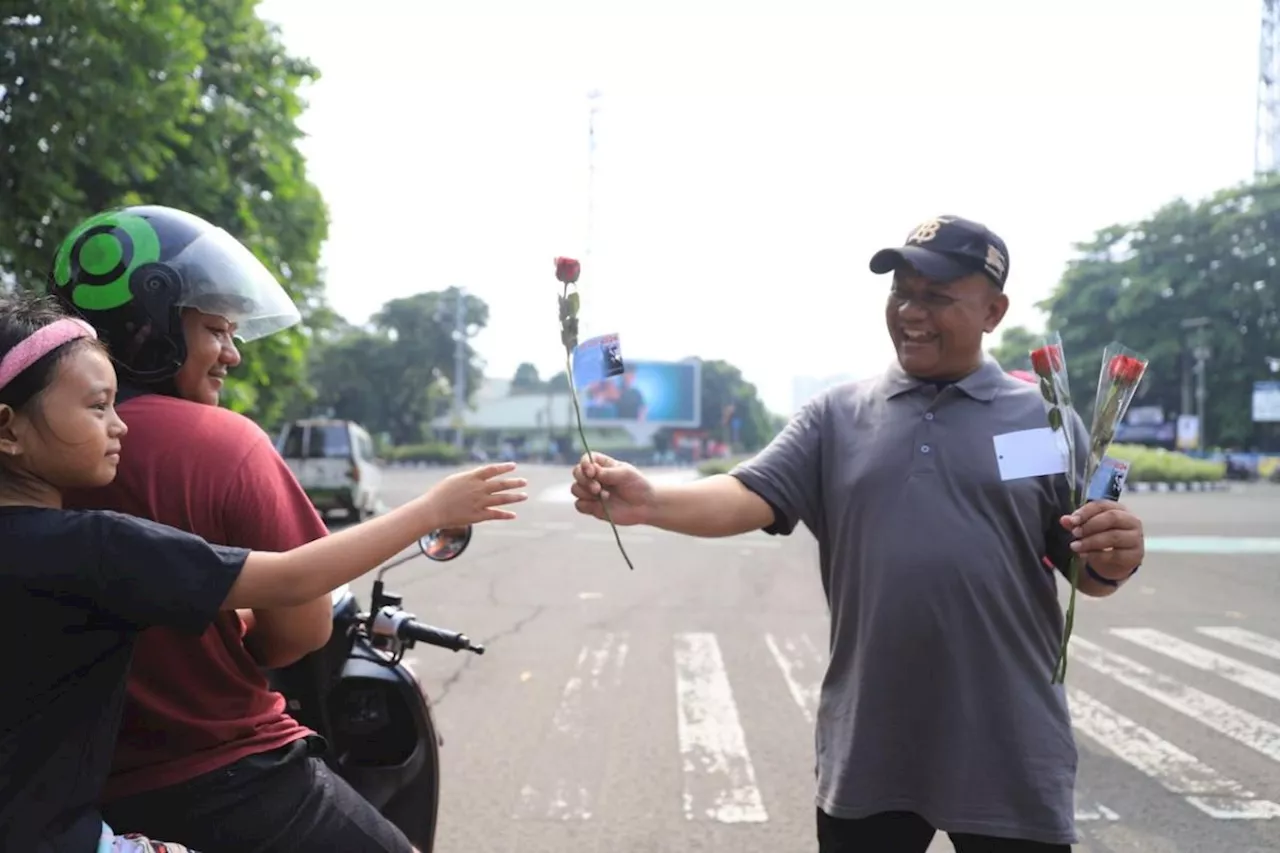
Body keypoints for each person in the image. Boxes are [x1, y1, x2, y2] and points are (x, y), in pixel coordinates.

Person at [569, 216, 1147, 853]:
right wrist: (650, 501)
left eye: (936, 296)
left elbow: (1088, 570)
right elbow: (748, 494)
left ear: (993, 311)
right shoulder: (837, 418)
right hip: (872, 742)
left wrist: (1116, 556)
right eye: (901, 292)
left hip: (1008, 742)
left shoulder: (1045, 422)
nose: (910, 313)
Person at [0, 291, 528, 851]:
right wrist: (433, 510)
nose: (120, 426)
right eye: (99, 407)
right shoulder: (98, 545)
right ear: (8, 430)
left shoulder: (66, 553)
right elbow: (295, 584)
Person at [46, 204, 419, 851]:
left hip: (65, 789)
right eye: (216, 329)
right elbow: (301, 628)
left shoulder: (35, 444)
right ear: (150, 328)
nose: (234, 354)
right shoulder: (221, 442)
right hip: (227, 773)